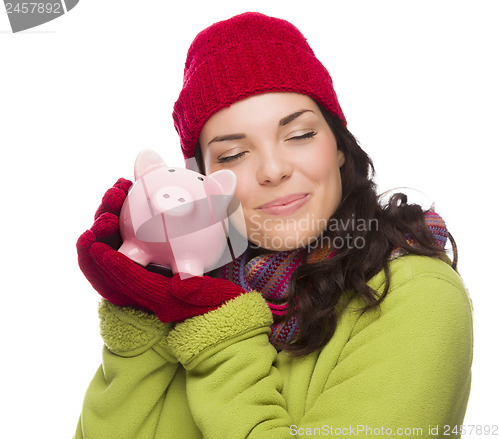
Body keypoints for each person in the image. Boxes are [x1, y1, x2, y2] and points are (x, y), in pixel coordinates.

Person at [74, 12, 473, 439]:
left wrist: (221, 330)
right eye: (231, 155)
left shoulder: (415, 294)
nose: (273, 170)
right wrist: (138, 317)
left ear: (338, 146)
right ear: (207, 182)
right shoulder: (180, 293)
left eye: (299, 134)